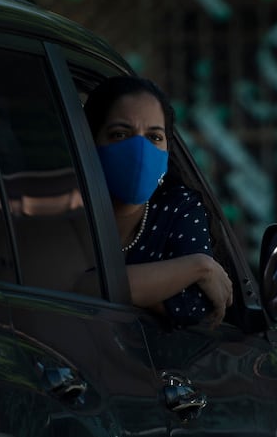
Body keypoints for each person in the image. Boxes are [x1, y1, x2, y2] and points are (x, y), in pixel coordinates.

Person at [84, 76, 232, 328]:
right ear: (90, 140)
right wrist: (199, 267)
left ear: (167, 150)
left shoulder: (178, 207)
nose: (139, 150)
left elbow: (196, 305)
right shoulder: (65, 203)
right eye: (120, 134)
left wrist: (105, 286)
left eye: (154, 137)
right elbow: (74, 286)